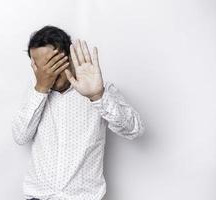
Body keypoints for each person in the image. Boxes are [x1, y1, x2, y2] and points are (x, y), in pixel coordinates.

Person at [12, 25, 145, 200]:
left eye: (53, 64)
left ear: (69, 57)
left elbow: (135, 130)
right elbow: (21, 137)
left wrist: (98, 96)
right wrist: (41, 88)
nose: (49, 73)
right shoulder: (34, 91)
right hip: (38, 197)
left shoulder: (99, 89)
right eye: (43, 68)